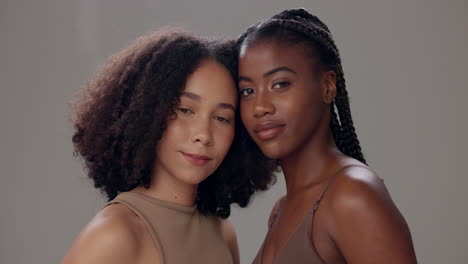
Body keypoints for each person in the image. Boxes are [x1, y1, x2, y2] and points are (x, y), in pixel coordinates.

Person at [62, 29, 274, 264]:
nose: (203, 135)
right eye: (185, 110)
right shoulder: (115, 234)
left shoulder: (223, 234)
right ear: (146, 113)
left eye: (222, 118)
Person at [236, 8, 417, 264]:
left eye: (280, 84)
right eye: (247, 91)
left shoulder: (353, 195)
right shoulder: (281, 209)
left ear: (327, 86)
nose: (260, 107)